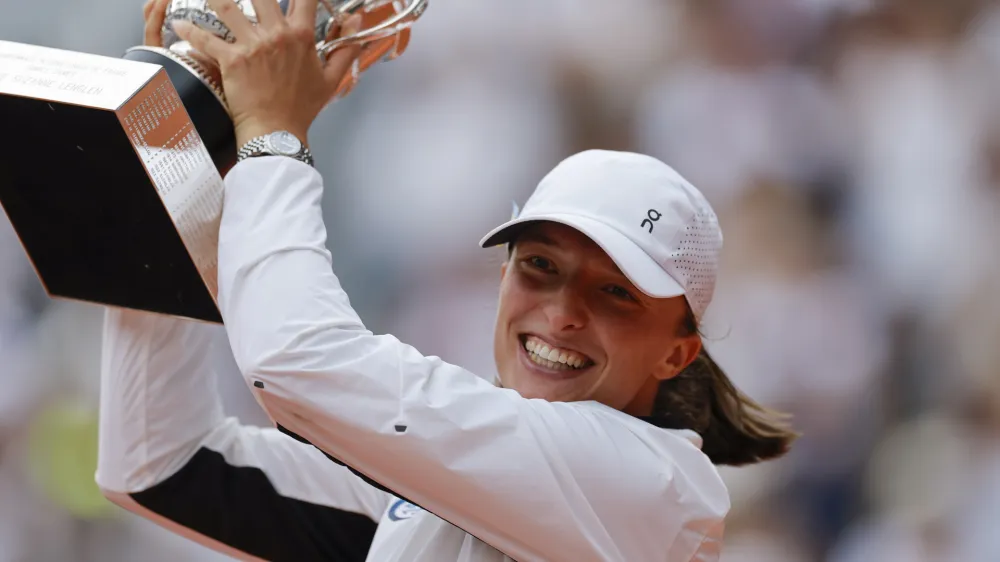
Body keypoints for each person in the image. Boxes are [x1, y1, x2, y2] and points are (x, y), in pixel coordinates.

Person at [96, 1, 797, 560]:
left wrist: (271, 137)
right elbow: (162, 466)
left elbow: (294, 360)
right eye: (540, 267)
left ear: (678, 351)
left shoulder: (646, 484)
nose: (561, 313)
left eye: (615, 292)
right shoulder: (445, 494)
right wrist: (188, 166)